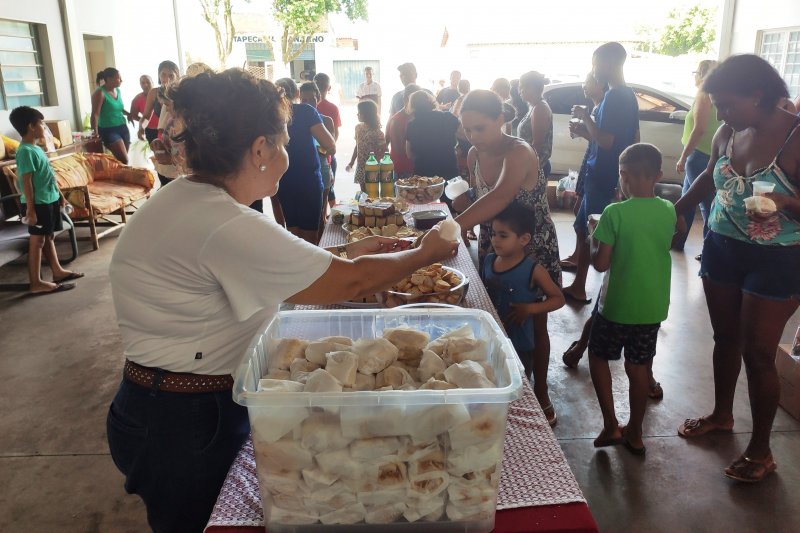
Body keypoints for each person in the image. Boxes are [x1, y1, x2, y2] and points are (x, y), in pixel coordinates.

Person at [106, 68, 458, 533]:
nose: (289, 153)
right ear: (259, 149)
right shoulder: (222, 222)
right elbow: (350, 285)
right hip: (183, 422)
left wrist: (343, 253)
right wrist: (426, 252)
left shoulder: (190, 203)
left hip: (166, 405)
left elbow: (268, 270)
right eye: (285, 140)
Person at [674, 54, 800, 483]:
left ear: (758, 96)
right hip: (722, 245)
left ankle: (762, 451)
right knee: (725, 338)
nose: (720, 113)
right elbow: (710, 175)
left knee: (759, 354)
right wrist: (677, 208)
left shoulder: (796, 138)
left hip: (778, 260)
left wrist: (784, 204)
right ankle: (721, 415)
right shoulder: (728, 130)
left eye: (727, 104)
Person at [453, 90, 561, 424]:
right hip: (494, 242)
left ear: (501, 120)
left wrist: (449, 228)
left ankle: (540, 391)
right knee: (496, 315)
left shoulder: (519, 152)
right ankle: (499, 385)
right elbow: (479, 195)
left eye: (480, 128)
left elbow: (500, 196)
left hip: (532, 245)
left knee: (534, 322)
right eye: (467, 129)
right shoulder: (473, 154)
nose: (473, 137)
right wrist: (461, 208)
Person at [588, 143, 676, 455]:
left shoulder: (614, 214)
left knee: (598, 358)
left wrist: (593, 233)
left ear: (622, 175)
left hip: (616, 307)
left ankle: (611, 423)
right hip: (651, 308)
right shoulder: (668, 209)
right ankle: (636, 432)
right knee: (639, 368)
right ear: (659, 176)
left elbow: (600, 264)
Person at [562, 42, 639, 305]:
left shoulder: (617, 97)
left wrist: (585, 117)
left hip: (604, 175)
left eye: (595, 63)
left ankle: (616, 294)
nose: (593, 70)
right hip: (602, 172)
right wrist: (586, 130)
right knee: (585, 231)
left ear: (607, 63)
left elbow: (607, 142)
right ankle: (578, 286)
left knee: (601, 235)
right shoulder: (623, 95)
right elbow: (623, 138)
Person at [482, 203, 566, 384]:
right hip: (490, 339)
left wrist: (530, 309)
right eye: (493, 233)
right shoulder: (489, 261)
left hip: (519, 344)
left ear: (524, 239)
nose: (495, 240)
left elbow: (558, 299)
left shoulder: (534, 270)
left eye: (503, 235)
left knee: (518, 385)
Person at [9, 106, 84, 295]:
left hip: (48, 200)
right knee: (37, 242)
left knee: (48, 237)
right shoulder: (25, 151)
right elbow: (26, 182)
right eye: (42, 123)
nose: (44, 127)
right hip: (38, 203)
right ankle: (36, 282)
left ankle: (57, 271)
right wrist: (31, 210)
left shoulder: (36, 148)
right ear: (31, 126)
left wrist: (60, 198)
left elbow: (48, 175)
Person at [274, 77, 336, 244]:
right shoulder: (306, 111)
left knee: (293, 233)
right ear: (297, 93)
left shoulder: (272, 114)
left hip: (283, 180)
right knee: (310, 237)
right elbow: (330, 145)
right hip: (308, 180)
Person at [561, 72, 609, 272]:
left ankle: (581, 258)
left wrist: (584, 117)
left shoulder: (606, 107)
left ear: (600, 84)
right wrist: (582, 131)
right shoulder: (599, 107)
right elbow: (596, 139)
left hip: (597, 167)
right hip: (590, 161)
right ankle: (578, 256)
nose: (584, 86)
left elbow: (604, 141)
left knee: (586, 218)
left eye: (588, 82)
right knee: (579, 210)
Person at [672, 60, 722, 253]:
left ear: (701, 74)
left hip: (699, 155)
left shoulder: (704, 94)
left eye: (695, 72)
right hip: (709, 153)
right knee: (687, 201)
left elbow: (699, 129)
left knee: (705, 204)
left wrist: (683, 157)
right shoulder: (718, 94)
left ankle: (710, 249)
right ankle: (678, 240)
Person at [299, 81, 336, 235]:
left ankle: (322, 247)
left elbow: (331, 150)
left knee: (321, 213)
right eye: (303, 100)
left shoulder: (326, 120)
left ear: (318, 98)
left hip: (322, 166)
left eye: (311, 99)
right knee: (305, 212)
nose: (307, 104)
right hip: (305, 170)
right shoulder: (296, 120)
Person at [139, 60, 181, 187]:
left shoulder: (180, 92)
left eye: (171, 75)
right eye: (163, 74)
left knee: (176, 167)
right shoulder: (154, 92)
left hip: (175, 132)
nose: (166, 78)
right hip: (157, 133)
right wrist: (141, 128)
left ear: (177, 76)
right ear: (158, 75)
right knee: (163, 167)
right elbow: (146, 116)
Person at [405, 90, 460, 180]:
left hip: (423, 174)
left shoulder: (412, 125)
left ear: (412, 106)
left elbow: (409, 154)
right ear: (431, 101)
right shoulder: (447, 117)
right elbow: (465, 134)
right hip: (448, 170)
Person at [518, 71, 553, 179]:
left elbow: (537, 145)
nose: (520, 91)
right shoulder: (534, 106)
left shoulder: (540, 109)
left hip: (536, 166)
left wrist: (526, 168)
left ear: (532, 87)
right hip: (533, 164)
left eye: (522, 87)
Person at [314, 73, 342, 208]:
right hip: (328, 155)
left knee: (320, 192)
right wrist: (327, 150)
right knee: (328, 190)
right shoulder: (332, 108)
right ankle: (330, 219)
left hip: (315, 155)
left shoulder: (307, 106)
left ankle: (325, 219)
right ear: (329, 87)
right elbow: (335, 135)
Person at [345, 99, 385, 192]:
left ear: (367, 114)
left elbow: (384, 151)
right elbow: (357, 146)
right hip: (360, 166)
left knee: (372, 193)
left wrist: (375, 162)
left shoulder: (378, 133)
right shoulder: (358, 128)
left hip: (372, 168)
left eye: (359, 112)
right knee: (364, 193)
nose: (357, 114)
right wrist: (351, 162)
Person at [385, 84, 420, 181]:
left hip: (416, 167)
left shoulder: (417, 116)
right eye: (416, 101)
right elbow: (400, 150)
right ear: (405, 100)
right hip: (402, 169)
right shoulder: (396, 120)